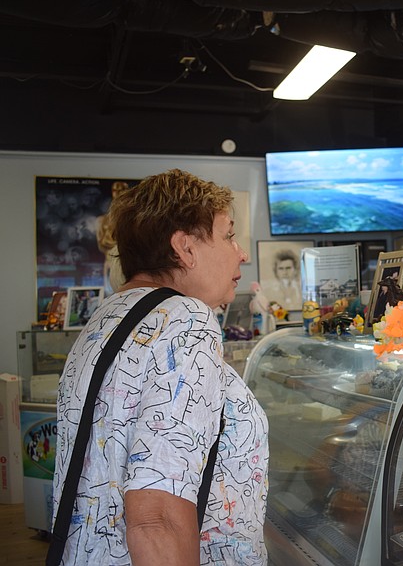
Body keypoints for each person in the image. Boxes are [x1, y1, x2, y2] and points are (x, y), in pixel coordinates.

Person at [52, 169, 269, 565]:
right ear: (184, 248)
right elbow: (157, 516)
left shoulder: (108, 317)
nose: (243, 253)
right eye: (228, 235)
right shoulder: (185, 319)